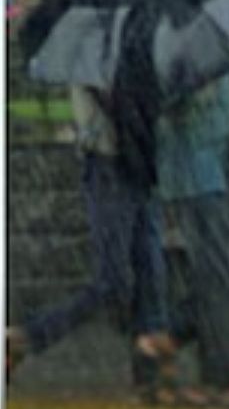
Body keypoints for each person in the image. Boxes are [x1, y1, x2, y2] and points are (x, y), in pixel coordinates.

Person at [6, 81, 174, 393]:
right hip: (109, 159)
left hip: (139, 157)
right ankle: (26, 338)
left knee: (150, 269)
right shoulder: (93, 46)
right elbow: (106, 98)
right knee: (113, 281)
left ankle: (149, 374)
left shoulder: (128, 37)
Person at [150, 72, 229, 408]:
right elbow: (165, 99)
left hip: (226, 170)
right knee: (220, 277)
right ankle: (222, 381)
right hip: (198, 176)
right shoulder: (179, 48)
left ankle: (168, 335)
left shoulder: (214, 41)